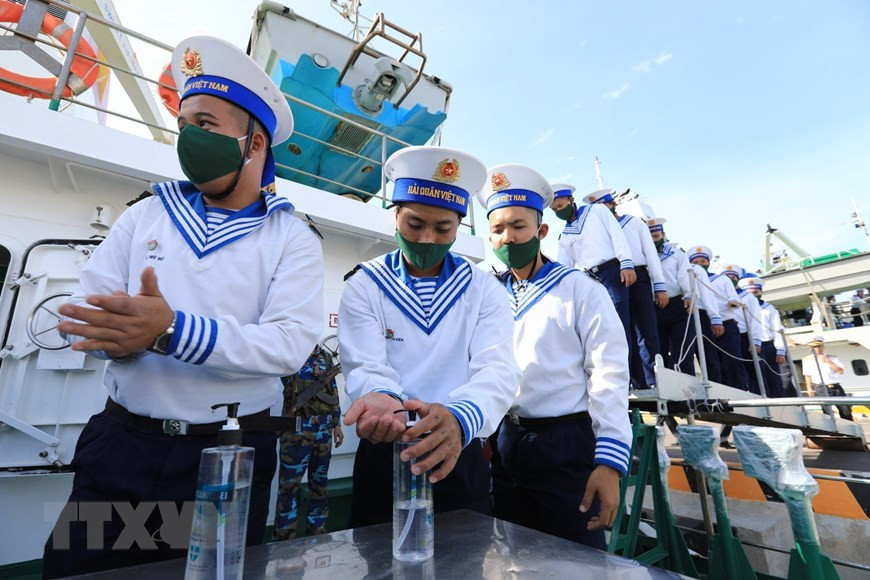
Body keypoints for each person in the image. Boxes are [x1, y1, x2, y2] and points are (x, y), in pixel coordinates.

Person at [41, 37, 324, 577]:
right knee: (85, 571)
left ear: (255, 141)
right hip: (123, 448)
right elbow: (82, 307)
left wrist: (169, 330)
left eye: (207, 124)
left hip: (220, 463)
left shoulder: (292, 237)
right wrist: (116, 343)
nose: (190, 138)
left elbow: (288, 343)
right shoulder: (145, 215)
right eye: (184, 124)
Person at [338, 146, 519, 527]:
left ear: (459, 225)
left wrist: (459, 418)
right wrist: (382, 399)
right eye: (415, 224)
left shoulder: (483, 288)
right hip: (385, 449)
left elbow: (497, 369)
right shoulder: (366, 283)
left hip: (458, 443)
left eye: (442, 229)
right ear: (396, 215)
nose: (427, 239)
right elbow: (365, 363)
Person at [480, 164, 631, 549]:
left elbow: (609, 374)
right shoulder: (490, 293)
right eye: (497, 229)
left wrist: (609, 462)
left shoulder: (579, 289)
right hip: (507, 444)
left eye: (518, 226)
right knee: (516, 557)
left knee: (577, 562)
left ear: (541, 231)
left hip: (565, 443)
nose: (507, 237)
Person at [550, 186, 636, 345]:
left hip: (613, 273)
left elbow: (617, 234)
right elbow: (564, 266)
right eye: (554, 209)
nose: (558, 211)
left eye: (561, 206)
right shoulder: (565, 236)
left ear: (571, 200)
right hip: (591, 280)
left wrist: (626, 263)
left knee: (620, 325)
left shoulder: (596, 211)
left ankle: (628, 369)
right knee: (605, 326)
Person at [274, 346, 344, 540]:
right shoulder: (291, 355)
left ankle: (318, 532)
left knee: (319, 484)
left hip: (323, 429)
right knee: (289, 486)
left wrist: (336, 424)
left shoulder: (325, 356)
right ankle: (284, 537)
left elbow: (333, 391)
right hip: (296, 430)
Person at [608, 200, 667, 390]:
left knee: (646, 330)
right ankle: (635, 381)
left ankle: (653, 380)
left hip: (639, 274)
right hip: (614, 276)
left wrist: (659, 285)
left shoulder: (634, 223)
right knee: (624, 332)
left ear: (613, 204)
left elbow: (650, 253)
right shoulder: (601, 228)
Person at [688, 245, 747, 389]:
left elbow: (733, 297)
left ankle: (739, 390)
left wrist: (732, 302)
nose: (700, 265)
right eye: (696, 262)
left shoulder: (722, 280)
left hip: (726, 323)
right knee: (711, 358)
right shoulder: (691, 278)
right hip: (704, 320)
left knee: (732, 361)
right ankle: (716, 388)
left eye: (703, 261)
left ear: (708, 263)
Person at [646, 218, 695, 376]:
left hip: (677, 305)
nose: (654, 239)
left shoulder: (676, 253)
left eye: (657, 235)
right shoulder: (642, 256)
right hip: (653, 307)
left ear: (663, 234)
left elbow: (684, 275)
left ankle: (690, 394)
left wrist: (689, 295)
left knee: (682, 351)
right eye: (650, 236)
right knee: (658, 351)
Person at [717, 264, 763, 394]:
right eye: (727, 276)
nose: (730, 279)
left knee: (747, 369)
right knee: (727, 365)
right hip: (726, 332)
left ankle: (753, 395)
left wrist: (755, 340)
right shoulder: (718, 292)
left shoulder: (748, 297)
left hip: (745, 336)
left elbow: (755, 320)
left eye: (733, 276)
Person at [739, 277, 787, 398]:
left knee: (773, 377)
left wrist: (781, 350)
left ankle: (778, 403)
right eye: (750, 293)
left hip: (767, 345)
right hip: (751, 345)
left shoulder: (769, 309)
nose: (754, 295)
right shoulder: (742, 307)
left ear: (761, 292)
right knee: (755, 377)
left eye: (756, 292)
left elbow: (777, 329)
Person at [802, 335, 853, 420]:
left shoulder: (832, 358)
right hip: (821, 388)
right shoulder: (807, 360)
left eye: (819, 346)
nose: (817, 348)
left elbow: (840, 371)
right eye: (814, 347)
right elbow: (807, 375)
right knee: (827, 412)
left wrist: (827, 360)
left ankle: (850, 430)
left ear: (823, 346)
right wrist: (809, 389)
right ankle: (834, 432)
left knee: (845, 409)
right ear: (810, 348)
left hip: (835, 387)